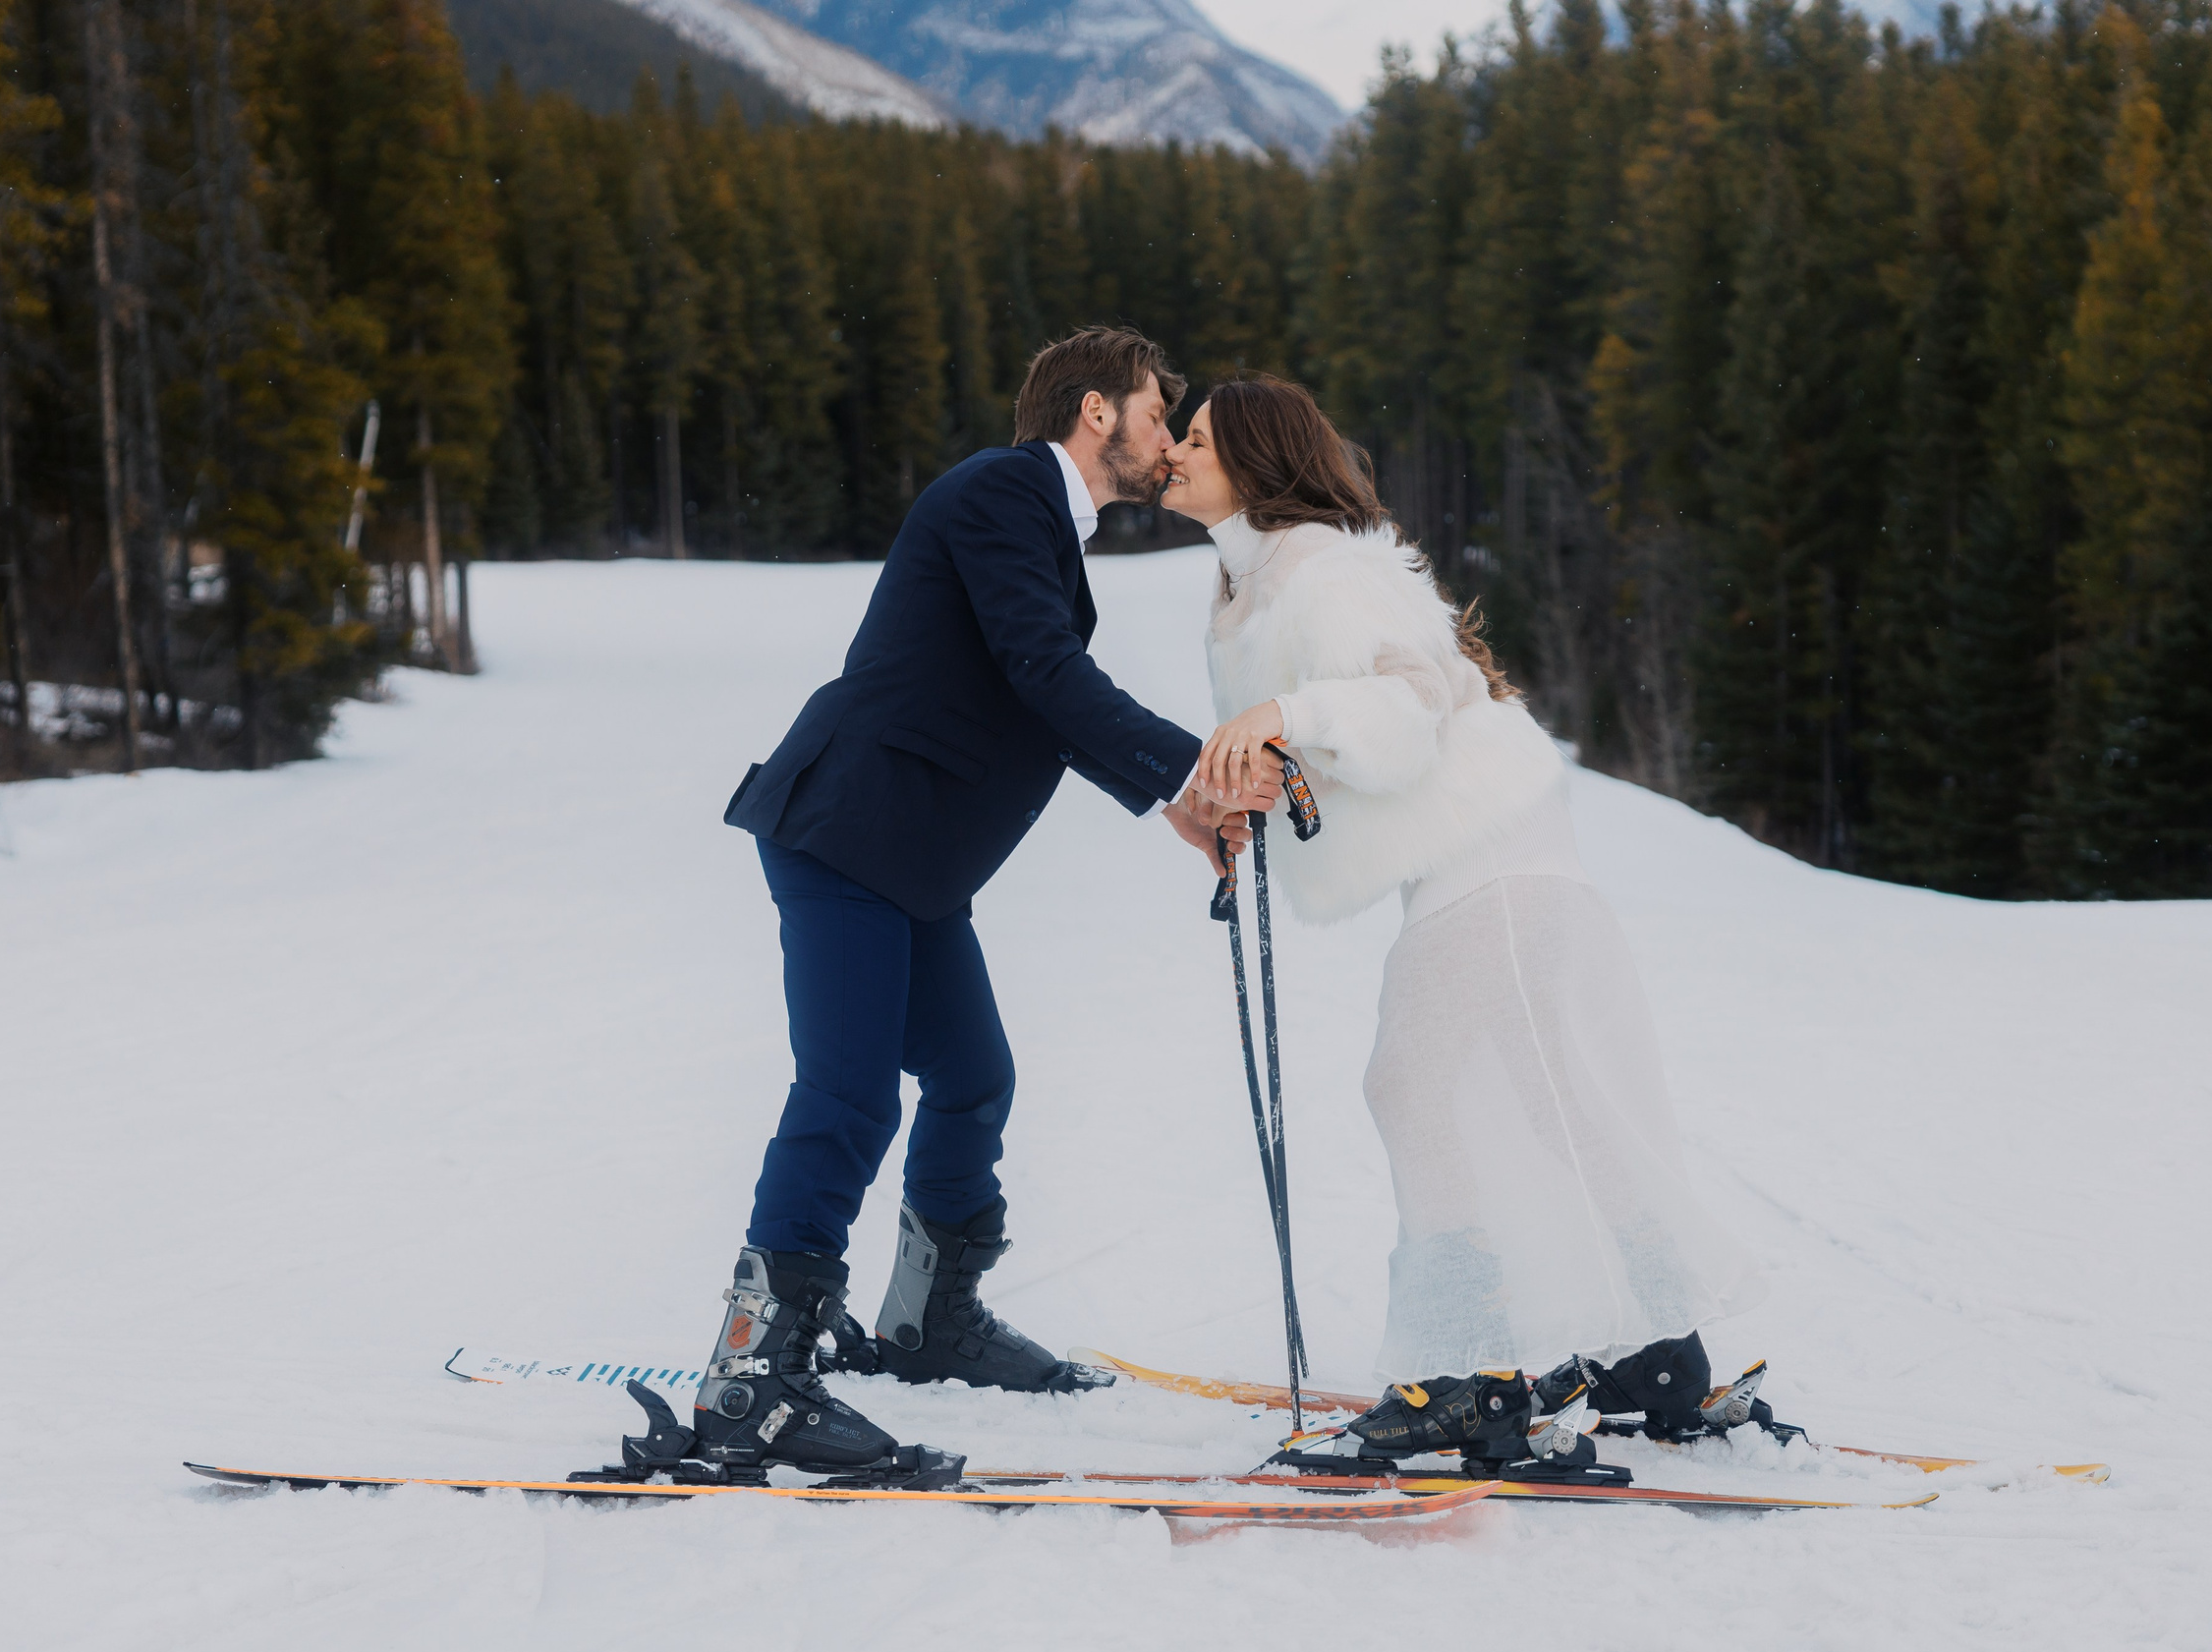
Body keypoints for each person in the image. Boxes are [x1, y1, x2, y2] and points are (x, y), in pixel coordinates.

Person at [689, 328, 1276, 1478]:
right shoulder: (1003, 490)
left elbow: (1032, 692)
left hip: (909, 863)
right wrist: (1196, 770)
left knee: (971, 1077)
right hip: (848, 833)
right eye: (1158, 412)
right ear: (1096, 411)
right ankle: (749, 1381)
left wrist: (1176, 804)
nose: (1168, 437)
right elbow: (1042, 670)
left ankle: (929, 1322)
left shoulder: (1038, 522)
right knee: (848, 1094)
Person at [1161, 374, 1769, 1458]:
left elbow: (1413, 700)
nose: (1174, 451)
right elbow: (1337, 754)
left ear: (1253, 462)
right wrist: (1250, 784)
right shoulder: (1256, 585)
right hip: (1504, 855)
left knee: (1413, 1084)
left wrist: (1285, 712)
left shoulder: (1323, 568)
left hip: (1492, 864)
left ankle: (1467, 1379)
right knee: (1551, 1100)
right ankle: (1653, 1358)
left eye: (1198, 439)